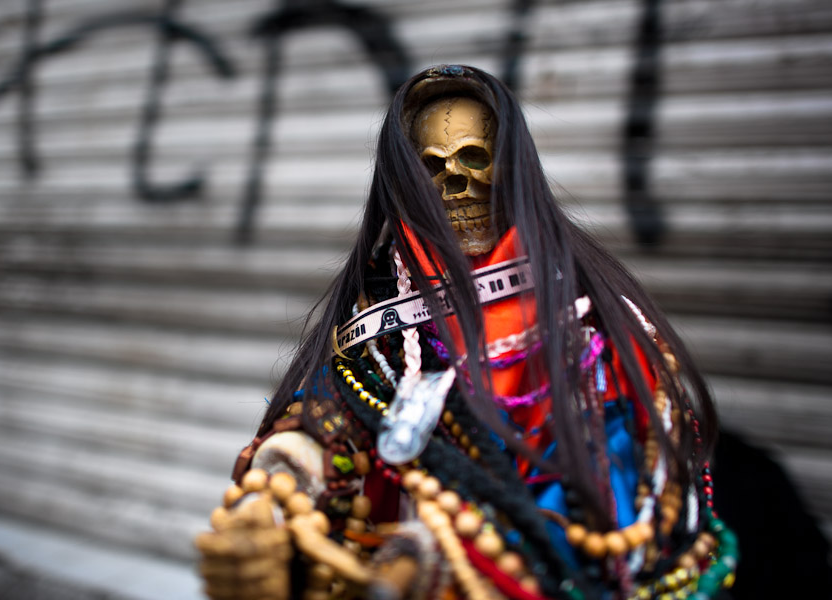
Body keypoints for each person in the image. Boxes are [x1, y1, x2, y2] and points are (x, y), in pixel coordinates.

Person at [195, 65, 737, 600]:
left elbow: (615, 495)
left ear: (512, 169)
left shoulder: (589, 325)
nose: (456, 183)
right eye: (432, 169)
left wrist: (436, 559)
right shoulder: (380, 312)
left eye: (475, 159)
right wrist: (272, 494)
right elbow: (324, 412)